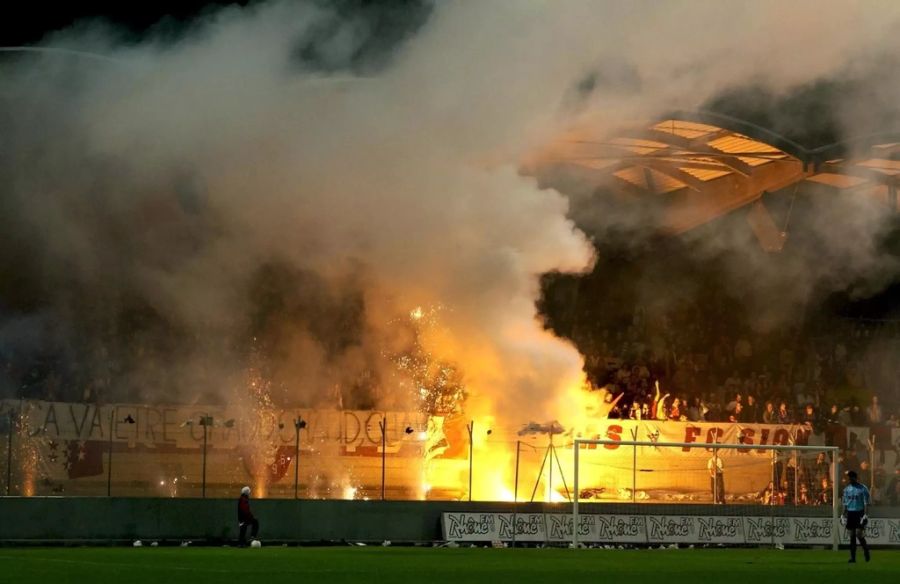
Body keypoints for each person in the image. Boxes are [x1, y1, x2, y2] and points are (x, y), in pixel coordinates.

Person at [841, 471, 871, 563]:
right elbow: (845, 504)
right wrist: (843, 514)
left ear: (855, 478)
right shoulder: (846, 490)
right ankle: (853, 558)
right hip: (850, 513)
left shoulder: (863, 488)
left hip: (859, 513)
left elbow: (866, 503)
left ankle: (866, 551)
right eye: (848, 478)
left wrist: (865, 515)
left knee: (859, 534)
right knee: (852, 535)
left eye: (851, 477)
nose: (849, 479)